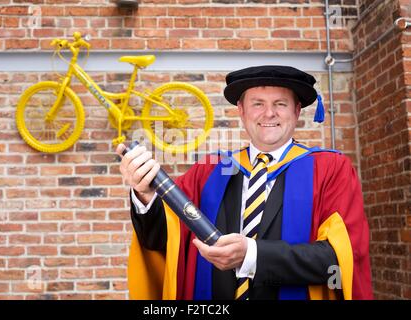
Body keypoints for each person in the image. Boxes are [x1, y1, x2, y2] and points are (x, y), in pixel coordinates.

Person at [117, 65, 373, 300]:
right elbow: (164, 241)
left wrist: (252, 254)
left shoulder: (329, 169)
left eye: (281, 104)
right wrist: (145, 195)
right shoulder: (211, 170)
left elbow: (339, 261)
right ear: (241, 110)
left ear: (297, 111)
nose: (269, 113)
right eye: (258, 103)